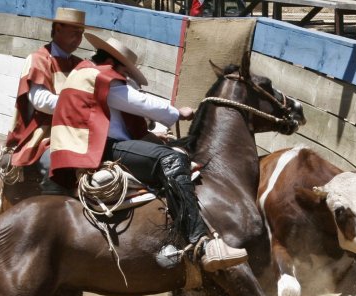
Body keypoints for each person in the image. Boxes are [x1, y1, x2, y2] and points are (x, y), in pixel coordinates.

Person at [48, 34, 248, 272]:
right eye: (126, 72)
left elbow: (113, 118)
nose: (126, 77)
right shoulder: (103, 77)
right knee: (173, 158)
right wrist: (176, 112)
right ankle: (199, 241)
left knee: (165, 153)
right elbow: (137, 102)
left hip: (86, 147)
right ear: (116, 63)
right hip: (101, 149)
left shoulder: (85, 73)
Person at [5, 8, 91, 168]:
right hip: (43, 130)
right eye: (75, 32)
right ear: (58, 29)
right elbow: (41, 101)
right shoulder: (38, 59)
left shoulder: (80, 64)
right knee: (55, 163)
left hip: (73, 128)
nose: (79, 39)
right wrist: (78, 105)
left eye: (81, 33)